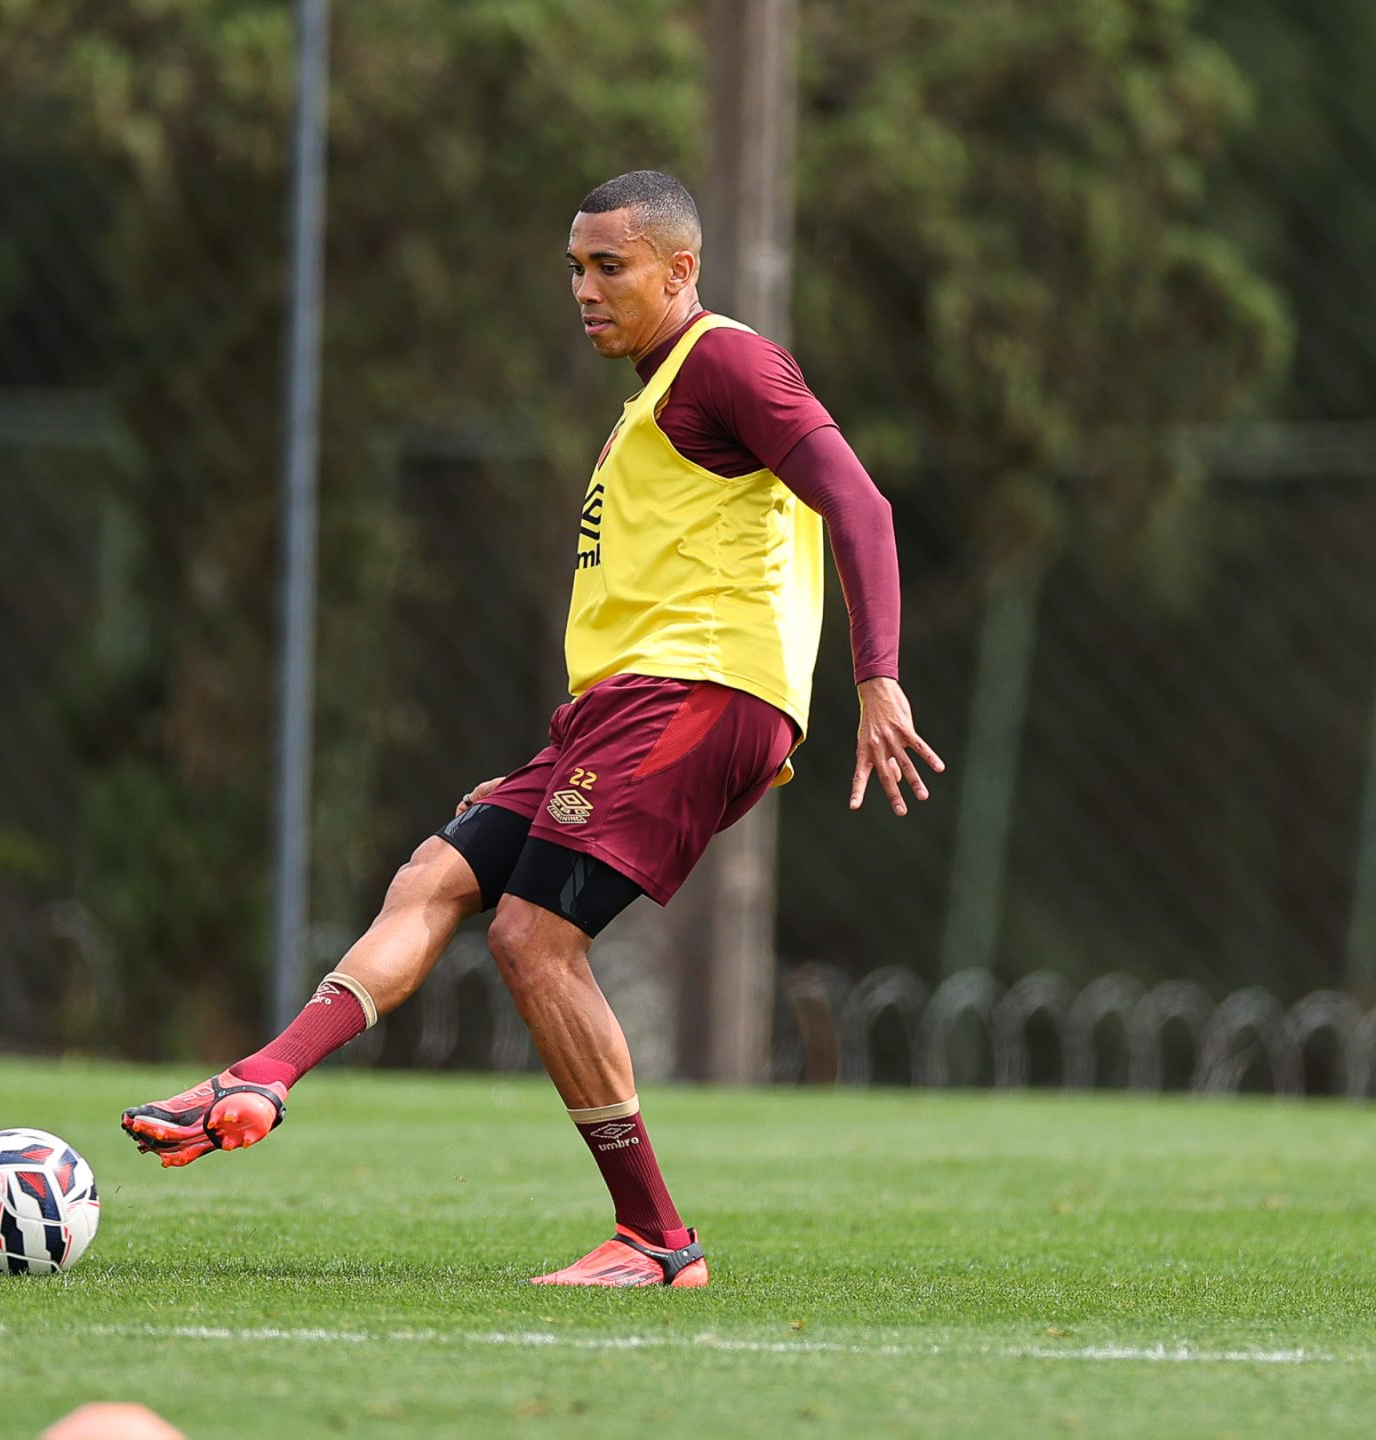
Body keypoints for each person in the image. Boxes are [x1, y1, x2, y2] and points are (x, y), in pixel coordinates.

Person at [123, 170, 942, 1287]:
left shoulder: (728, 362)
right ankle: (261, 1078)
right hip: (618, 711)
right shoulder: (652, 399)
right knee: (434, 876)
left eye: (609, 267)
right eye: (575, 269)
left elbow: (860, 501)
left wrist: (878, 679)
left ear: (681, 270)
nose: (585, 290)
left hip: (697, 693)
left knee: (531, 938)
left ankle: (656, 1240)